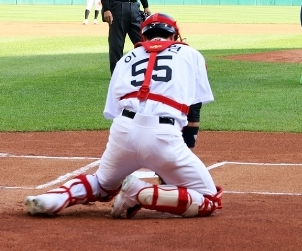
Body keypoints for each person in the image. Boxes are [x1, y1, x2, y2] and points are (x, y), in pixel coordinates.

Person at [24, 13, 222, 218]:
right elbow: (195, 106)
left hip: (123, 130)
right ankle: (139, 191)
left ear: (143, 38)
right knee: (209, 198)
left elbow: (113, 109)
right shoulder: (190, 54)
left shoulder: (126, 59)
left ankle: (52, 199)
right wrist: (184, 147)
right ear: (173, 36)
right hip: (164, 137)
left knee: (102, 183)